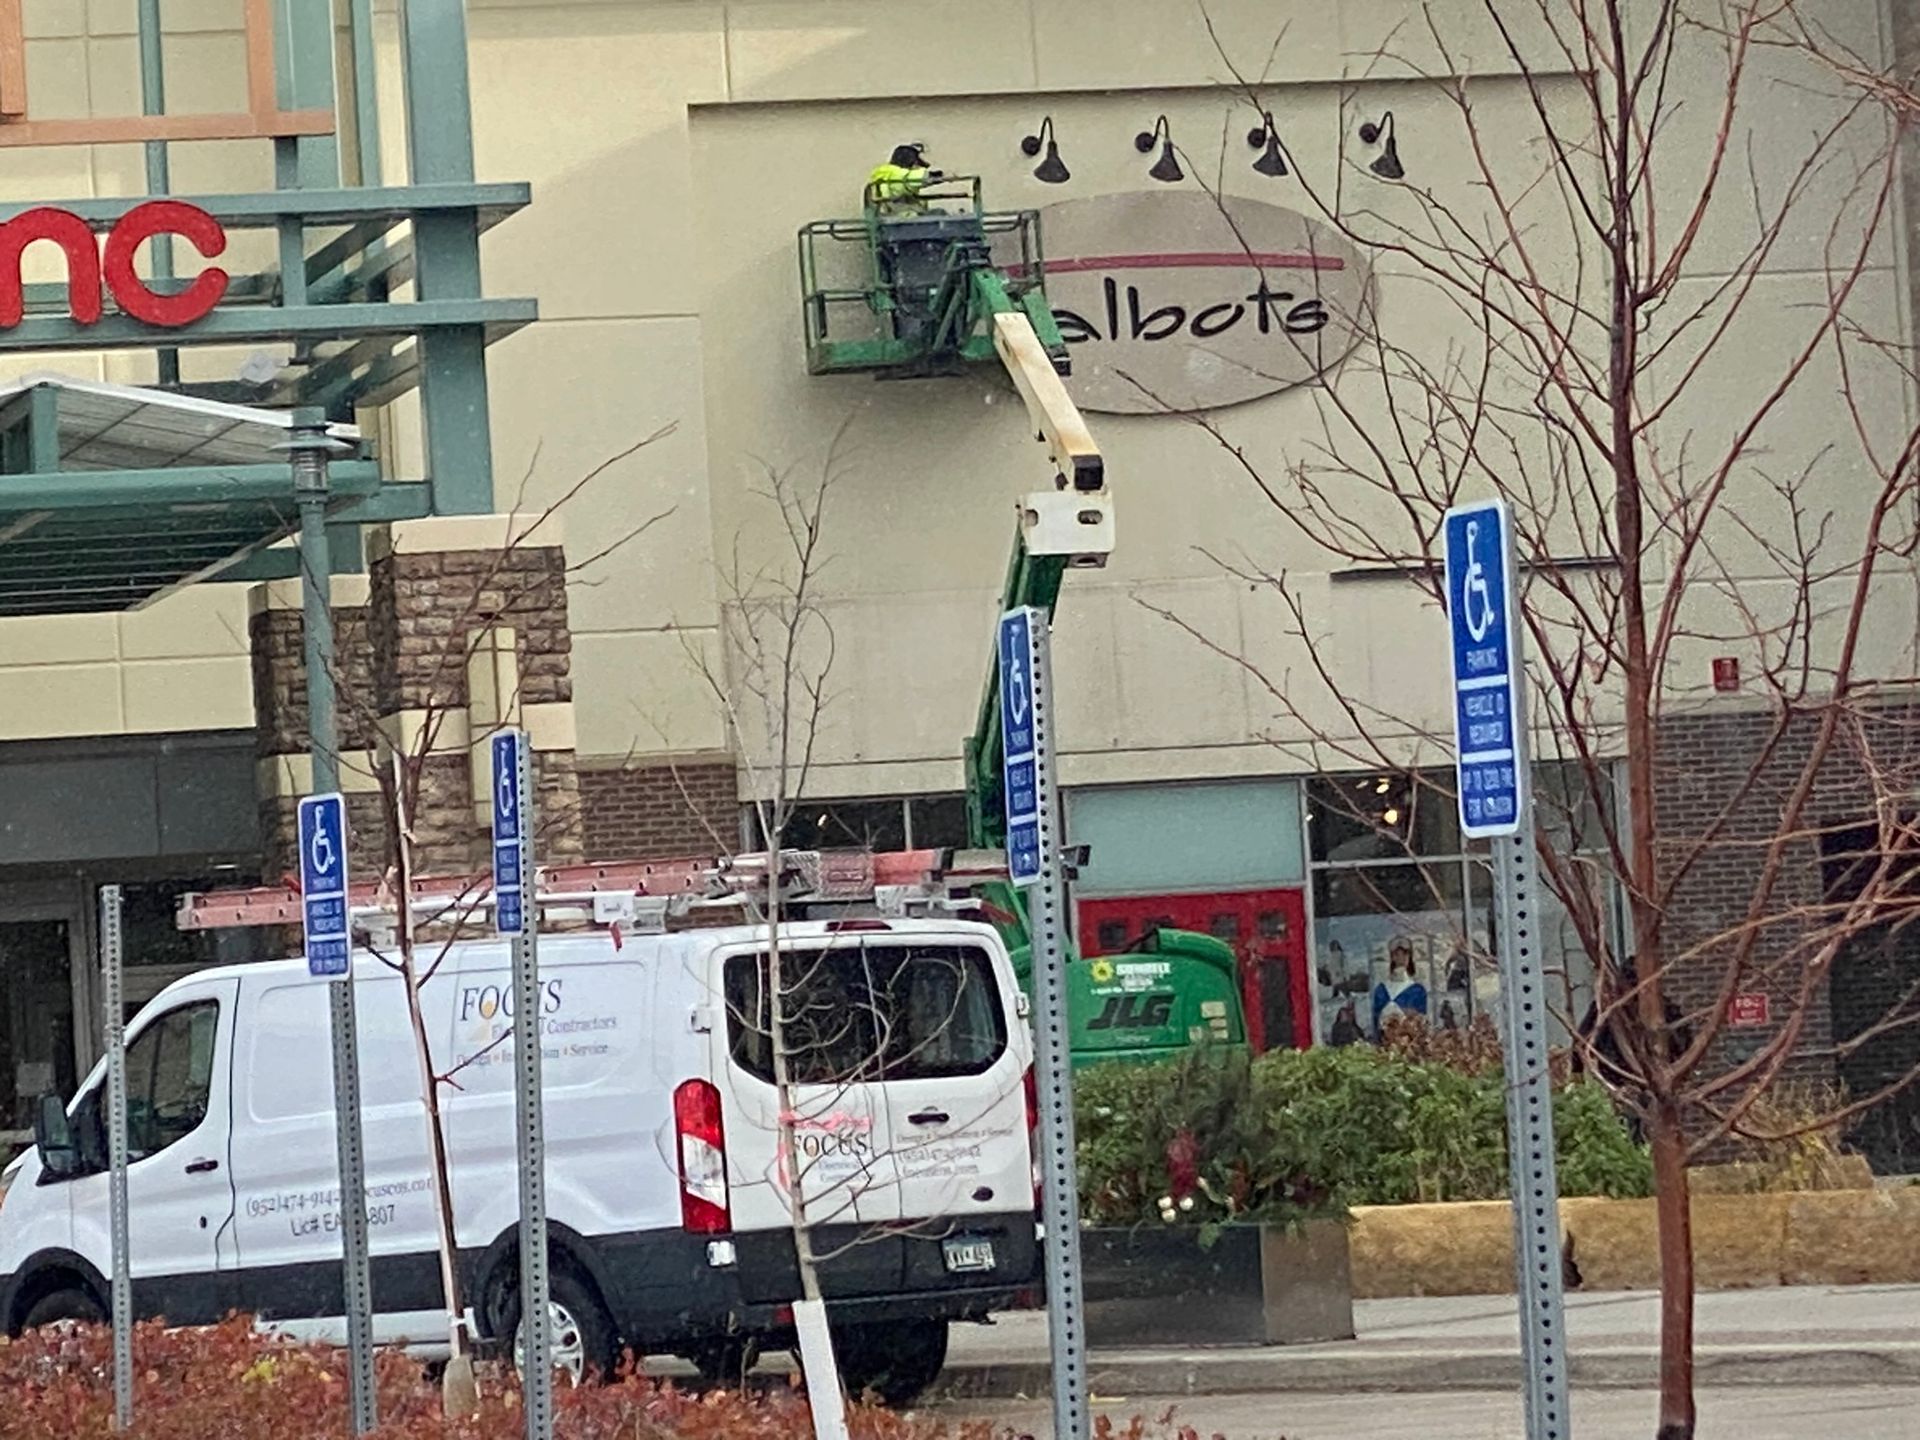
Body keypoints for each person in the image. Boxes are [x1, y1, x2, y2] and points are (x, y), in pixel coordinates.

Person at [1372, 940, 1429, 1037]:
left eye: (1405, 954)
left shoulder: (1417, 990)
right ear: (1392, 957)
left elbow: (1421, 1017)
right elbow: (1377, 1019)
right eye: (1397, 955)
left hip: (1409, 1038)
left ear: (1409, 957)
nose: (1401, 958)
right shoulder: (1382, 990)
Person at [866, 143, 940, 214]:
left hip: (884, 217)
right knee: (940, 213)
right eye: (916, 163)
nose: (917, 167)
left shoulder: (882, 173)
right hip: (906, 216)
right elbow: (923, 177)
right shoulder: (902, 175)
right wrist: (944, 176)